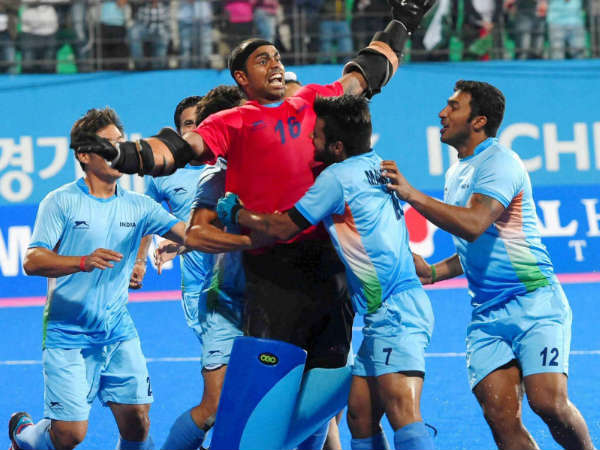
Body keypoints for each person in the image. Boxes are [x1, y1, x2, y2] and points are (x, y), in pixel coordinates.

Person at [72, 2, 434, 446]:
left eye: (277, 57)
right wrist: (127, 155)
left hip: (329, 274)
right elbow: (179, 149)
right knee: (265, 404)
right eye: (263, 60)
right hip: (271, 281)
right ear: (241, 78)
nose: (276, 64)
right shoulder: (232, 121)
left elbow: (365, 75)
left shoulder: (311, 99)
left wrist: (402, 23)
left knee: (326, 403)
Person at [382, 80, 595, 450]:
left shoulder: (500, 162)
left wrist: (411, 194)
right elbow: (477, 245)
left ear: (478, 121)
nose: (442, 113)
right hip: (487, 316)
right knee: (500, 416)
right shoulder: (456, 172)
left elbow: (474, 223)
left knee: (548, 402)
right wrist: (433, 272)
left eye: (453, 106)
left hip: (534, 302)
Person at [216, 94, 435, 450]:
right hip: (389, 309)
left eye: (316, 135)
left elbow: (283, 227)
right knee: (360, 417)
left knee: (403, 412)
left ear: (336, 147)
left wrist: (236, 212)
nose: (309, 139)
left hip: (395, 313)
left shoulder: (337, 178)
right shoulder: (376, 164)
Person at [8, 108, 186, 450]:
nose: (121, 150)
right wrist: (82, 261)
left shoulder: (140, 206)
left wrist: (229, 220)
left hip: (118, 330)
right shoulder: (60, 202)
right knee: (69, 435)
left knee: (138, 423)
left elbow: (190, 234)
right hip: (67, 333)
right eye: (109, 143)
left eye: (122, 142)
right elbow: (32, 260)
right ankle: (23, 435)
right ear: (84, 155)